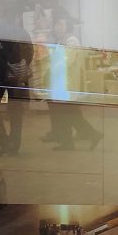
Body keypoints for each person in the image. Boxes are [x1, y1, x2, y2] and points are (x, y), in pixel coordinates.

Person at [45, 15, 102, 151]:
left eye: (61, 24)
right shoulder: (61, 41)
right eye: (56, 24)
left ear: (68, 26)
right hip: (61, 83)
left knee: (68, 114)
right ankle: (73, 140)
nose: (57, 27)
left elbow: (66, 61)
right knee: (69, 114)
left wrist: (51, 66)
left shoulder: (71, 41)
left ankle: (88, 136)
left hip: (67, 84)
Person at [0, 1, 33, 157]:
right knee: (15, 111)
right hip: (16, 78)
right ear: (17, 17)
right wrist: (17, 67)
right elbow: (29, 53)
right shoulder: (22, 32)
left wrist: (4, 67)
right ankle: (15, 145)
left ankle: (3, 142)